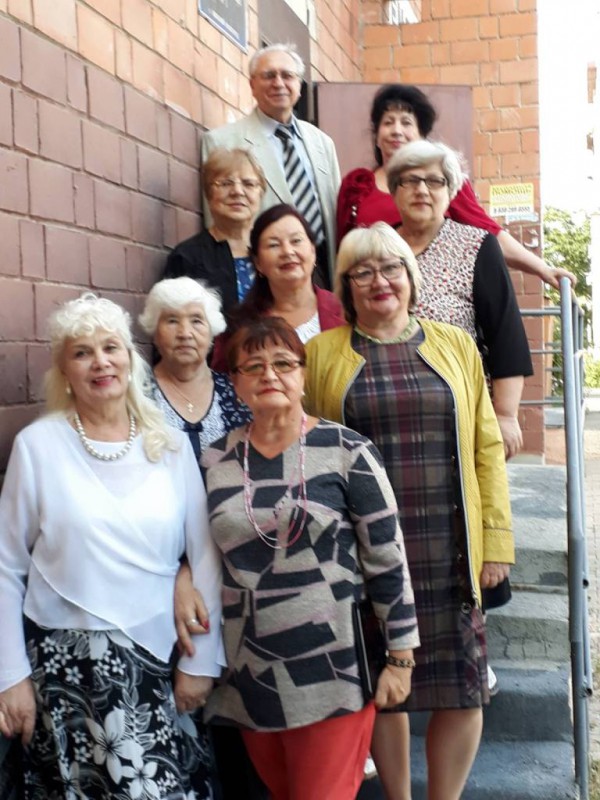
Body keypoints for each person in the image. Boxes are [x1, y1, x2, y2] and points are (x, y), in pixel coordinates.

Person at [304, 224, 515, 800]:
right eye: (363, 272)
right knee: (385, 686)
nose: (380, 281)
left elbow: (486, 446)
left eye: (391, 268)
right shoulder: (321, 354)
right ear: (346, 286)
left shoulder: (456, 345)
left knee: (463, 690)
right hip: (368, 551)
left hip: (450, 542)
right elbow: (312, 453)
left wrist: (496, 540)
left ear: (411, 276)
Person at [0, 293, 223, 799]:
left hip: (161, 662)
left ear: (130, 359)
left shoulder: (168, 445)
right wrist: (10, 676)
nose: (100, 362)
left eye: (111, 347)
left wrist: (201, 663)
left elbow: (205, 556)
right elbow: (6, 566)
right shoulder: (38, 447)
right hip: (64, 672)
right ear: (64, 371)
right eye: (82, 352)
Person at [201, 316, 420, 800]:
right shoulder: (214, 460)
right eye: (252, 366)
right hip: (251, 672)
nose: (269, 375)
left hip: (333, 671)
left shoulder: (347, 450)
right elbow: (199, 551)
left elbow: (387, 557)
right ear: (235, 382)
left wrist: (401, 657)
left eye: (283, 363)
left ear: (302, 373)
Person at [336, 83, 576, 289]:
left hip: (435, 296)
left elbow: (489, 232)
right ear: (377, 136)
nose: (397, 130)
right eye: (388, 122)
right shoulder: (357, 185)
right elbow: (341, 252)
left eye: (406, 122)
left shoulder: (443, 183)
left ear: (421, 135)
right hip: (373, 297)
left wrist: (542, 269)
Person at [387, 141, 533, 460]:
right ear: (394, 190)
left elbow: (505, 332)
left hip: (459, 408)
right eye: (410, 180)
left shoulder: (476, 245)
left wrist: (506, 415)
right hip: (385, 403)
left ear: (451, 190)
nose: (421, 190)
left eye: (434, 181)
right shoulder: (376, 245)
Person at [202, 43, 341, 288]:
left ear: (299, 85)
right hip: (261, 283)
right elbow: (215, 225)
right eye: (269, 75)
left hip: (323, 277)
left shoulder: (323, 143)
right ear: (252, 85)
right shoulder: (221, 142)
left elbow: (335, 217)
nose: (278, 83)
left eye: (287, 75)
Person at [210, 204, 345, 371]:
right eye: (274, 245)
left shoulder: (346, 310)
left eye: (296, 241)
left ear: (313, 251)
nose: (287, 251)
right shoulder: (239, 326)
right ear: (258, 262)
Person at [139, 276, 251, 462]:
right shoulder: (138, 394)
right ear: (155, 332)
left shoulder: (237, 393)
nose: (185, 333)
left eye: (196, 321)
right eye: (172, 321)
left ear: (212, 331)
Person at [162, 148, 267, 317]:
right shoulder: (187, 257)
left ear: (261, 194)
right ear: (209, 194)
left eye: (248, 184)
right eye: (225, 183)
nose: (237, 191)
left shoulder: (274, 250)